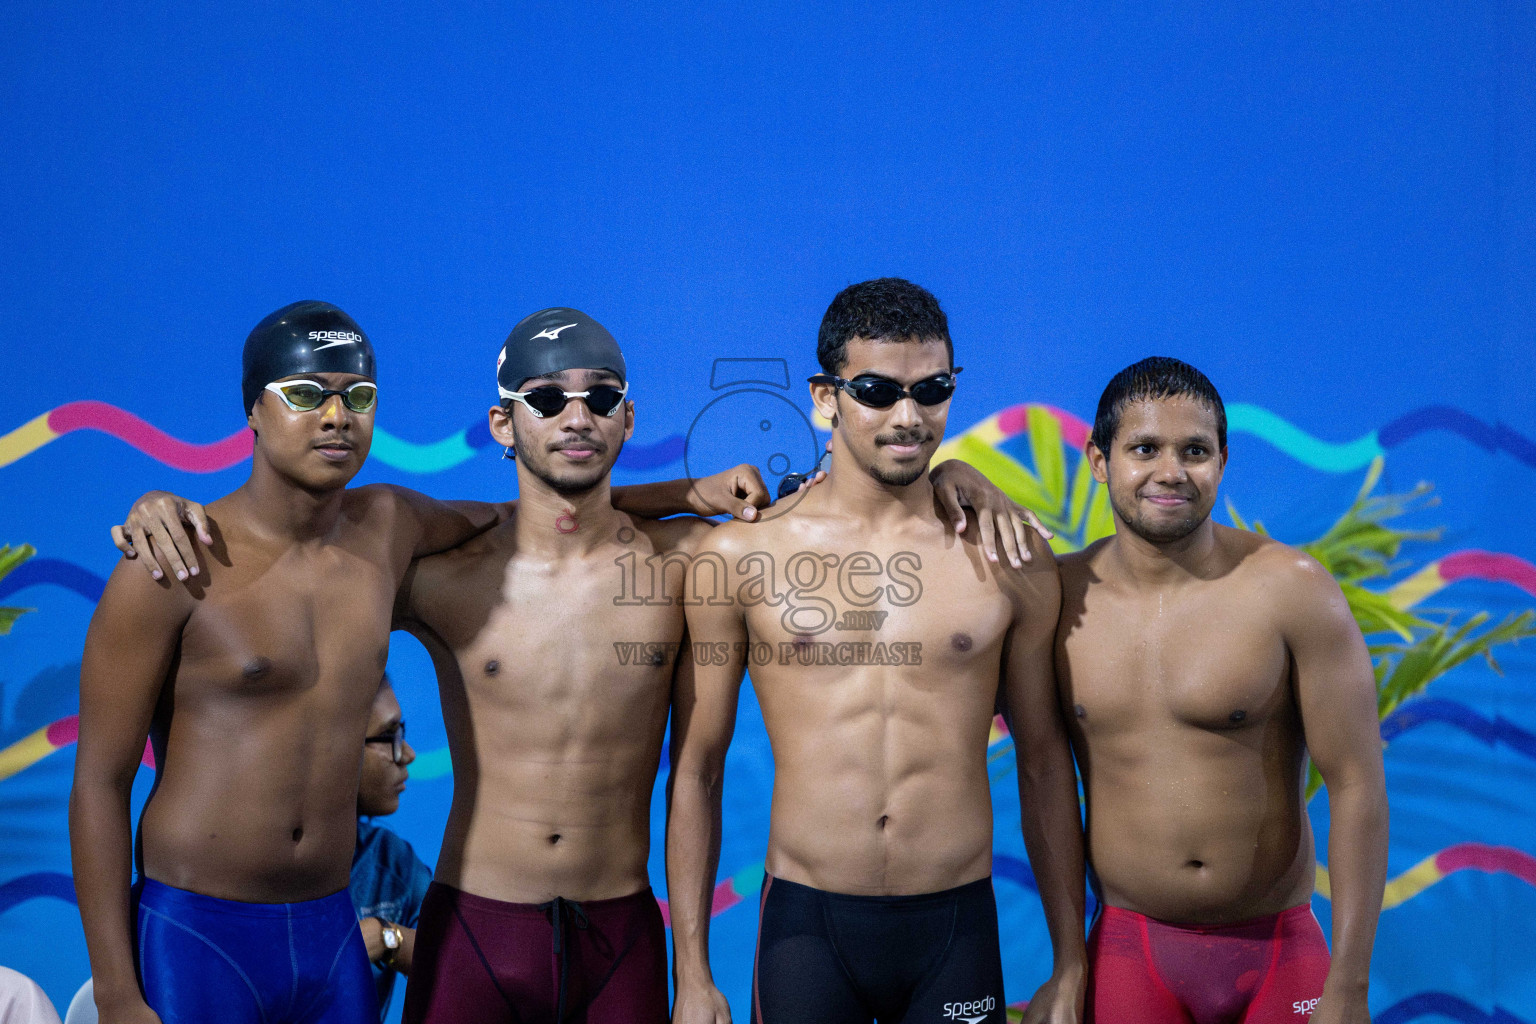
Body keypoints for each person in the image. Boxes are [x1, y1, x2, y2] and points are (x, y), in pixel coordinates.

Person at [74, 300, 778, 1024]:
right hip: (203, 926)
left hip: (331, 927)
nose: (336, 415)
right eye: (307, 395)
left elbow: (535, 513)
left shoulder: (387, 529)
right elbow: (98, 783)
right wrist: (118, 994)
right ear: (253, 409)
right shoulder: (173, 561)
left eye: (358, 396)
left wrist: (684, 494)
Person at [392, 307, 1040, 1024]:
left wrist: (959, 472)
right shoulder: (444, 580)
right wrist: (680, 489)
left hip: (624, 932)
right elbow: (526, 515)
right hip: (479, 923)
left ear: (628, 417)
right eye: (547, 400)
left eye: (601, 399)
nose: (577, 418)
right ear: (504, 422)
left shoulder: (690, 561)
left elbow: (591, 514)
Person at [668, 278, 1087, 1024]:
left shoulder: (1009, 559)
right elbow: (697, 767)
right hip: (807, 928)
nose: (908, 416)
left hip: (955, 926)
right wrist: (692, 975)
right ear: (826, 397)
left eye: (931, 389)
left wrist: (1070, 959)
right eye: (876, 391)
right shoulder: (739, 557)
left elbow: (1045, 761)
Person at [1056, 357, 1388, 1024]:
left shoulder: (1292, 589)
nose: (1171, 472)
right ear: (1099, 459)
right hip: (1132, 949)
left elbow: (1356, 784)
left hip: (1278, 950)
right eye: (1144, 449)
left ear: (1224, 461)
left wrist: (1349, 985)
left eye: (1195, 451)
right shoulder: (1056, 599)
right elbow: (1041, 775)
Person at [350, 676, 433, 1021]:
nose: (408, 754)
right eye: (390, 735)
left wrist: (387, 937)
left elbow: (462, 959)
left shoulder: (392, 861)